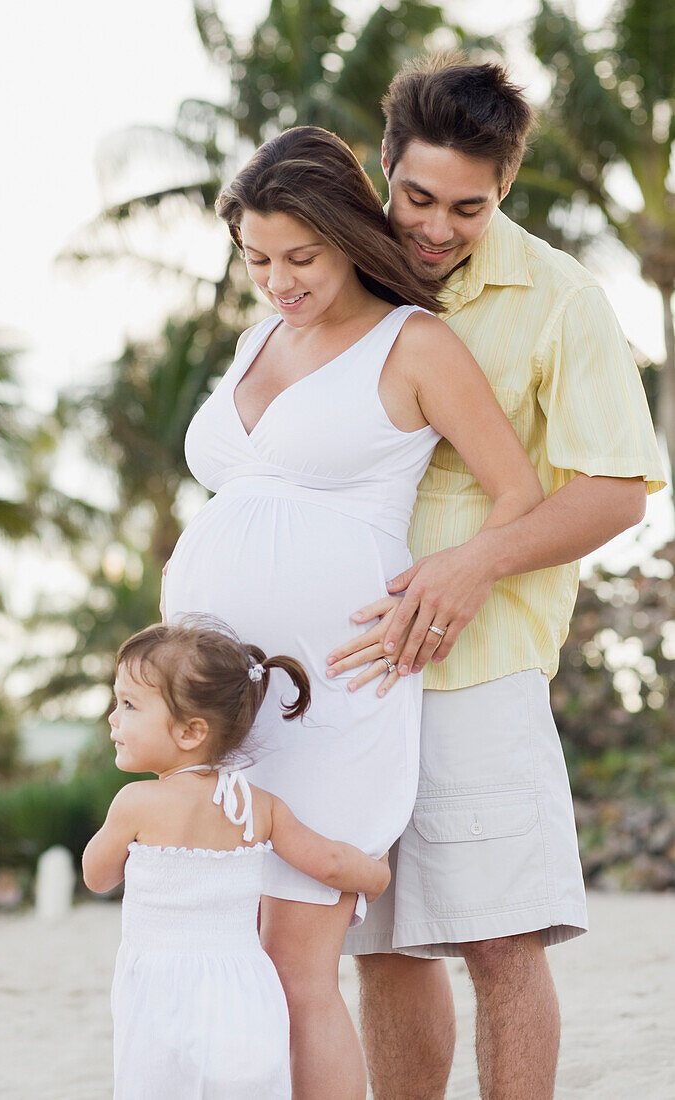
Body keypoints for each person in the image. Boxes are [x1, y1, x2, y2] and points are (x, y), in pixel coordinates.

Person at [160, 125, 544, 1097]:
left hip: (337, 686)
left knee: (296, 959)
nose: (278, 279)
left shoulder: (410, 342)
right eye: (255, 258)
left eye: (301, 256)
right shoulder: (258, 338)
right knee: (235, 950)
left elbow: (516, 493)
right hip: (222, 696)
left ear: (347, 235)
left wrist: (452, 581)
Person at [328, 54, 667, 1099]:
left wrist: (475, 562)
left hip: (483, 669)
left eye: (465, 207)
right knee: (384, 941)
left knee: (499, 939)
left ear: (504, 190)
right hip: (350, 671)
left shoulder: (564, 301)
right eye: (416, 197)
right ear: (386, 165)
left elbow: (617, 489)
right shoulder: (345, 279)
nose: (432, 226)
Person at [82, 620, 391, 1099]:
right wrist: (376, 874)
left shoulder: (135, 803)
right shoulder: (257, 805)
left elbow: (97, 876)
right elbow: (329, 863)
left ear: (190, 731)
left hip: (160, 995)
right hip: (244, 989)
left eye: (128, 704)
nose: (113, 718)